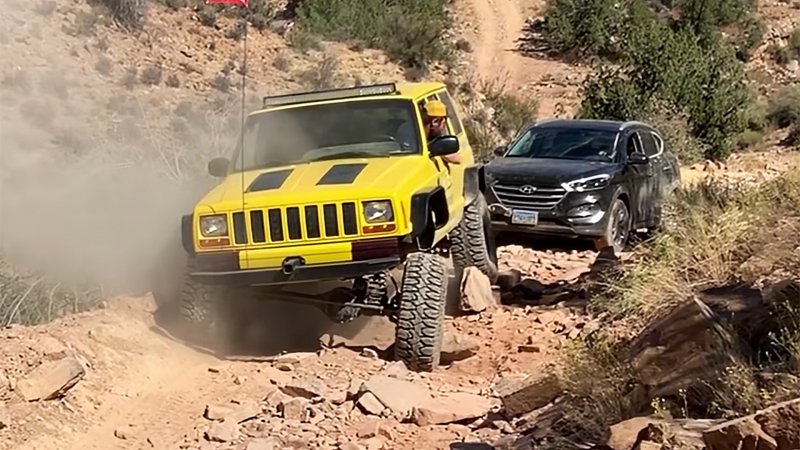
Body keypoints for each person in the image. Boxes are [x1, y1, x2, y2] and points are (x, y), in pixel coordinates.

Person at [396, 100, 462, 164]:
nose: (444, 126)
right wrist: (439, 150)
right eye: (444, 121)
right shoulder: (408, 133)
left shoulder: (431, 133)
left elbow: (457, 158)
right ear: (435, 122)